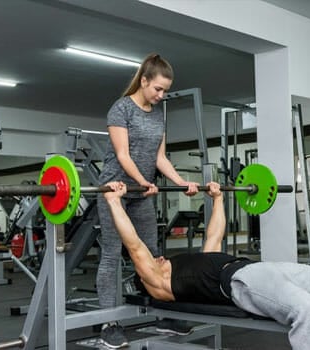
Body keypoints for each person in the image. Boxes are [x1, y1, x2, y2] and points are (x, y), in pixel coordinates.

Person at [103, 181, 310, 350]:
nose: (159, 257)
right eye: (153, 260)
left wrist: (218, 199)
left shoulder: (194, 265)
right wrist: (115, 202)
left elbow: (214, 235)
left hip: (264, 269)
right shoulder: (156, 281)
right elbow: (134, 244)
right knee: (305, 309)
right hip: (244, 283)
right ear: (142, 275)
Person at [97, 53, 199, 348]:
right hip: (114, 190)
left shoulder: (157, 114)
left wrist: (180, 182)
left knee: (153, 255)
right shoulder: (121, 109)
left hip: (142, 194)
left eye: (165, 90)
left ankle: (163, 315)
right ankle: (109, 322)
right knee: (112, 256)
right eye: (157, 89)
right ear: (143, 81)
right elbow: (123, 155)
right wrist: (143, 181)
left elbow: (159, 157)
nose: (161, 95)